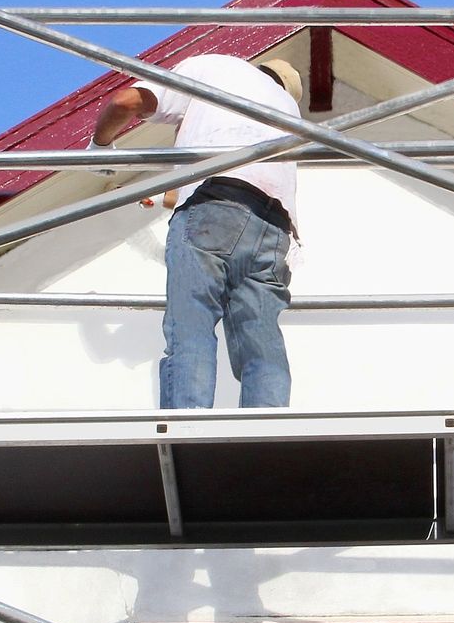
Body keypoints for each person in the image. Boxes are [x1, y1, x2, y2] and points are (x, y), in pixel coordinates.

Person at [93, 55, 304, 409]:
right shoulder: (287, 112)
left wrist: (100, 149)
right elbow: (242, 185)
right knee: (259, 339)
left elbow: (124, 102)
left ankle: (187, 423)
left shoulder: (214, 69)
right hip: (274, 225)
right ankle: (268, 429)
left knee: (191, 325)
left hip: (213, 202)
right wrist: (157, 197)